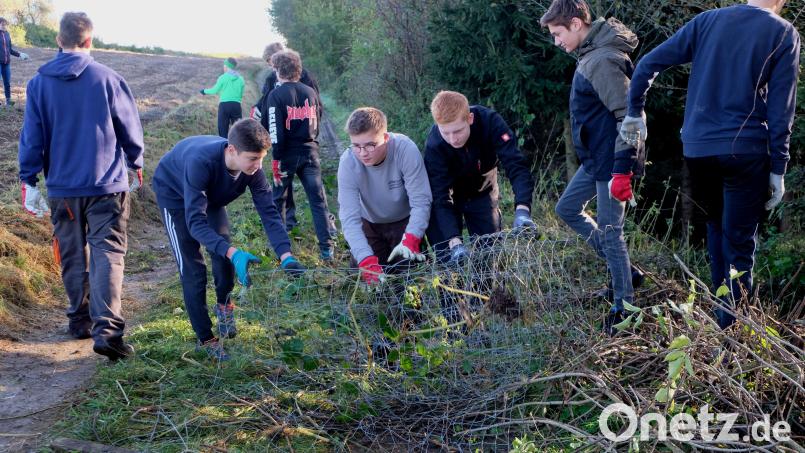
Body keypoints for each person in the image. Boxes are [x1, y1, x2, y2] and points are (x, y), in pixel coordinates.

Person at [621, 0, 800, 329]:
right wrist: (779, 168)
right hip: (745, 151)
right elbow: (780, 110)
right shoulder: (783, 32)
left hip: (698, 150)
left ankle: (723, 325)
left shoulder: (705, 23)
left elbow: (647, 63)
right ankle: (734, 337)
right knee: (740, 243)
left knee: (716, 231)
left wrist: (635, 111)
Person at [18, 12, 144, 360]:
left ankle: (79, 320)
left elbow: (32, 138)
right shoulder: (109, 79)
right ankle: (108, 331)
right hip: (107, 185)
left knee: (72, 252)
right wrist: (136, 161)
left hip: (62, 188)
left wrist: (29, 179)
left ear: (58, 40)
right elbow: (129, 128)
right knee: (107, 252)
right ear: (90, 41)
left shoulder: (38, 85)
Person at [151, 119, 306, 361]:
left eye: (262, 158)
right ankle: (206, 339)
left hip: (210, 196)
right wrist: (234, 252)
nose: (258, 165)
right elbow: (195, 224)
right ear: (232, 150)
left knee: (222, 254)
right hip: (176, 195)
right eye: (253, 158)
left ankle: (224, 304)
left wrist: (286, 256)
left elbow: (269, 213)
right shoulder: (200, 162)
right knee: (193, 269)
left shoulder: (252, 170)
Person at [541, 0, 644, 335]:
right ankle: (625, 272)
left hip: (612, 161)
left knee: (612, 232)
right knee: (567, 208)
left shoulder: (601, 58)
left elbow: (629, 116)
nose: (556, 42)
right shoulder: (591, 52)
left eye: (558, 34)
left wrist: (622, 169)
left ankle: (624, 307)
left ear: (575, 23)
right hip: (596, 159)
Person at [424, 91, 536, 263]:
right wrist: (454, 240)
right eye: (446, 133)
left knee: (489, 256)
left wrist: (523, 209)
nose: (453, 139)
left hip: (482, 192)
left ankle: (485, 289)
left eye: (458, 131)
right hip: (449, 201)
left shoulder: (490, 122)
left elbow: (516, 165)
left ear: (470, 118)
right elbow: (440, 195)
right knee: (449, 260)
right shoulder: (434, 145)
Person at [338, 107, 432, 285]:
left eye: (370, 145)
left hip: (404, 223)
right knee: (368, 283)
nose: (363, 153)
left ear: (385, 138)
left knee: (409, 282)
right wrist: (365, 259)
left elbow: (421, 201)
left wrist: (412, 237)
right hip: (370, 224)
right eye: (356, 146)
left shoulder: (405, 150)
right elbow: (349, 218)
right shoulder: (348, 163)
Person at [259, 49, 336, 261]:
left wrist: (276, 159)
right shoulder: (310, 93)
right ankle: (326, 249)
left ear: (277, 70)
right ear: (297, 69)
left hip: (285, 155)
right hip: (310, 152)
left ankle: (282, 251)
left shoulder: (275, 95)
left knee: (279, 201)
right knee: (318, 200)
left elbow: (274, 129)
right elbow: (316, 122)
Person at [251, 42, 321, 231]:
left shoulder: (305, 77)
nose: (270, 68)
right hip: (288, 142)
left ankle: (325, 228)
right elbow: (266, 99)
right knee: (285, 188)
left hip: (298, 141)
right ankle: (289, 223)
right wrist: (257, 110)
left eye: (271, 64)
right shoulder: (270, 81)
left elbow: (316, 105)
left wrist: (313, 133)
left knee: (314, 193)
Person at [201, 57, 245, 138]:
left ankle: (224, 147)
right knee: (239, 130)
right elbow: (241, 94)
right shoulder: (241, 79)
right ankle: (238, 148)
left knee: (223, 130)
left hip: (224, 106)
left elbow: (214, 90)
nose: (223, 67)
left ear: (227, 66)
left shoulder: (223, 77)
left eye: (224, 65)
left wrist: (204, 91)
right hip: (236, 105)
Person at [0, 17, 30, 106]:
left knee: (7, 83)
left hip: (6, 63)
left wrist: (20, 54)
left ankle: (8, 101)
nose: (4, 26)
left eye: (5, 24)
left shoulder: (7, 34)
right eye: (2, 24)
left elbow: (10, 50)